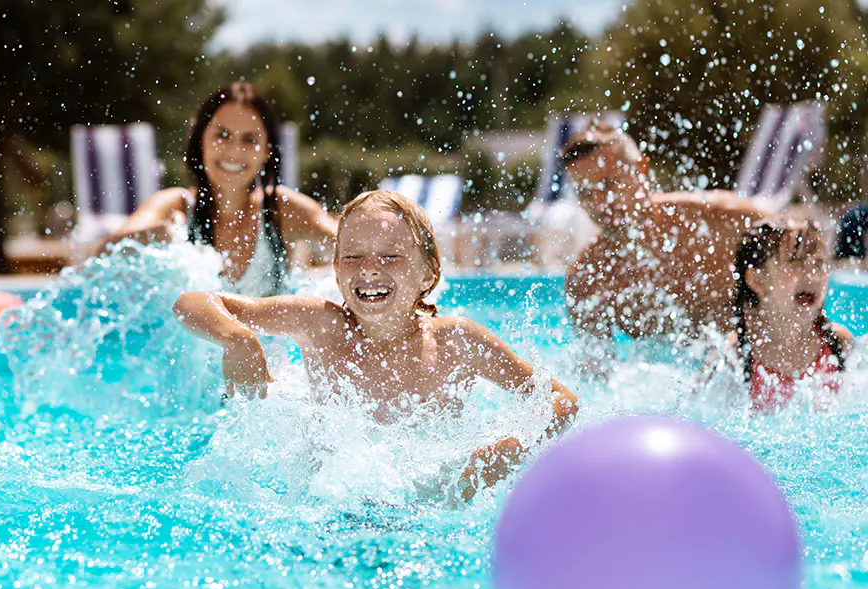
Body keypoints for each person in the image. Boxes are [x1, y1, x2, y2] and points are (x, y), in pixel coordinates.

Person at [172, 190, 579, 501]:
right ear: (334, 269)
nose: (369, 269)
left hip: (433, 509)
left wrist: (508, 452)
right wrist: (237, 338)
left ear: (428, 272)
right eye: (352, 256)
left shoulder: (457, 342)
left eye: (391, 256)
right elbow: (193, 302)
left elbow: (561, 400)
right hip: (329, 506)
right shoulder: (319, 325)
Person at [104, 82, 337, 296]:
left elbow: (353, 240)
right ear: (200, 140)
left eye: (249, 140)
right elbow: (104, 253)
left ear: (267, 150)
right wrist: (154, 235)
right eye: (222, 135)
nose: (234, 151)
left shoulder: (281, 209)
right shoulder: (175, 206)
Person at [562, 122, 769, 341]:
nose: (599, 203)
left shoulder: (721, 220)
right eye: (585, 193)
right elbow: (593, 372)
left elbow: (803, 246)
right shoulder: (588, 280)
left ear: (641, 169)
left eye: (608, 185)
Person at [713, 218, 853, 412]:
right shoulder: (735, 355)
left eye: (819, 263)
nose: (812, 274)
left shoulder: (838, 343)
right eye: (796, 262)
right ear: (758, 279)